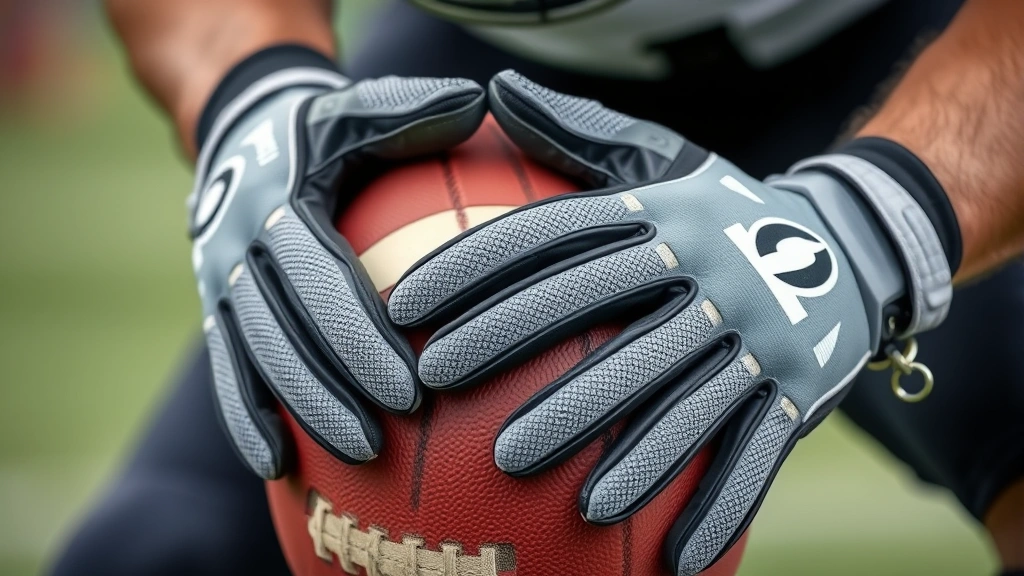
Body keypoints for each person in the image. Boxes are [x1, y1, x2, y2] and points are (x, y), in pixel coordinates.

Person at [52, 0, 1024, 574]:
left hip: (918, 42)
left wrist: (877, 220)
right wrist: (246, 92)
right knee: (157, 548)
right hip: (498, 71)